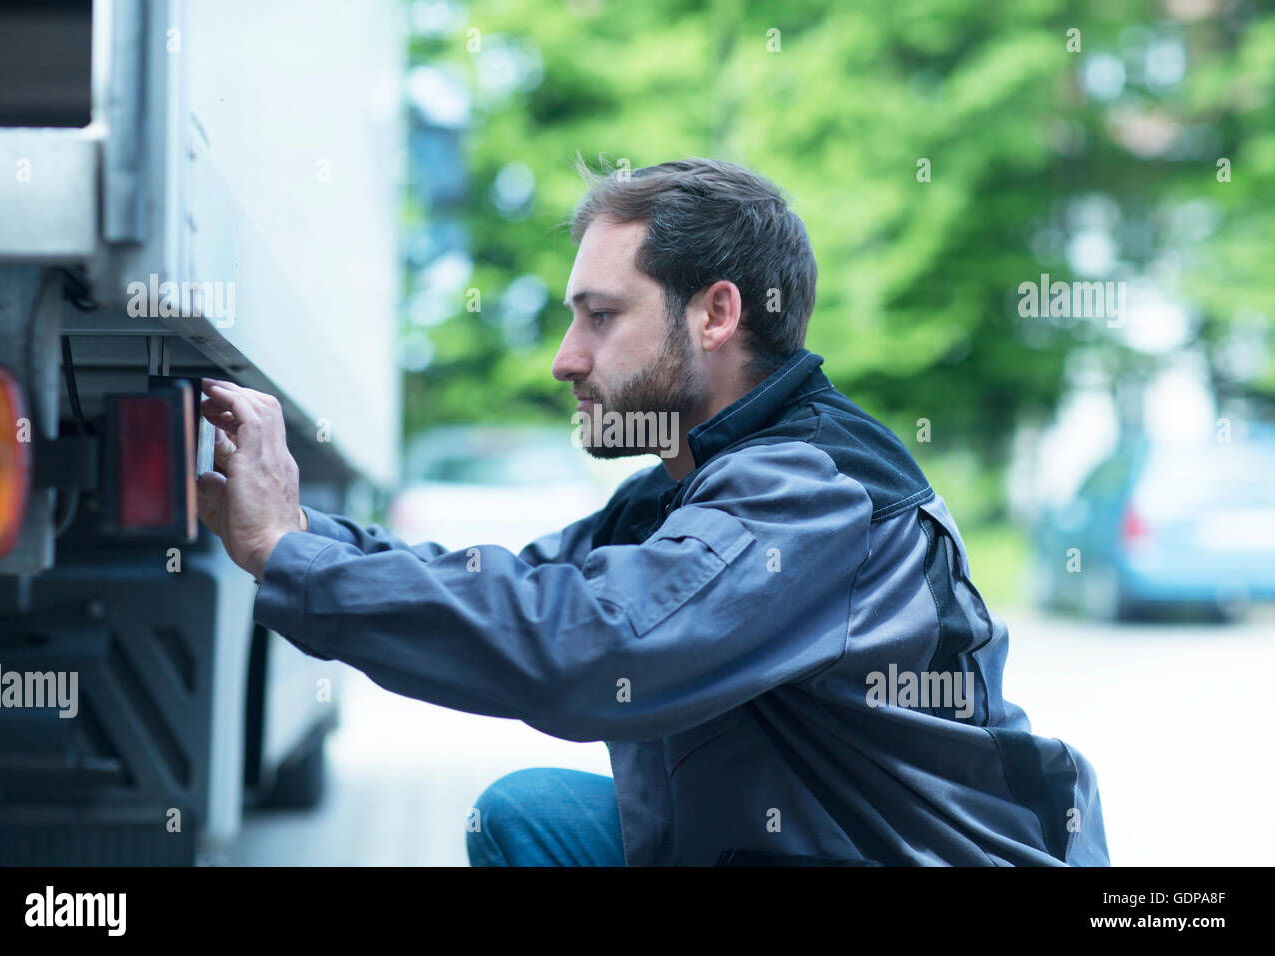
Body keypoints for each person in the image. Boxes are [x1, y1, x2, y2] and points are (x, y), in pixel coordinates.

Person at [196, 157, 1110, 867]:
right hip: (805, 839)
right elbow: (514, 589)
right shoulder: (682, 486)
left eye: (600, 316)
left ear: (715, 315)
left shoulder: (811, 491)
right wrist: (300, 534)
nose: (565, 358)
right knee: (530, 815)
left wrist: (290, 558)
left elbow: (592, 648)